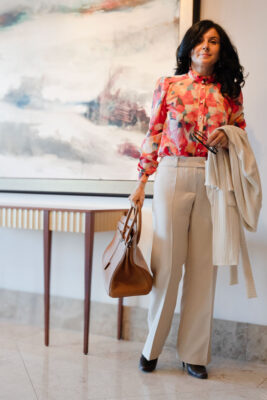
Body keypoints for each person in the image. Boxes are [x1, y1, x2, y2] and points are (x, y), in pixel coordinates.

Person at [129, 19, 246, 379]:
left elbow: (239, 130)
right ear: (189, 47)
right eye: (200, 40)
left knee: (202, 266)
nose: (206, 46)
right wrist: (141, 180)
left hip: (212, 176)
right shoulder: (169, 85)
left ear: (220, 49)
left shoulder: (229, 91)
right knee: (167, 262)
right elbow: (154, 132)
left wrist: (228, 137)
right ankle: (152, 347)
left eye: (213, 42)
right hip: (173, 171)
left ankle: (194, 353)